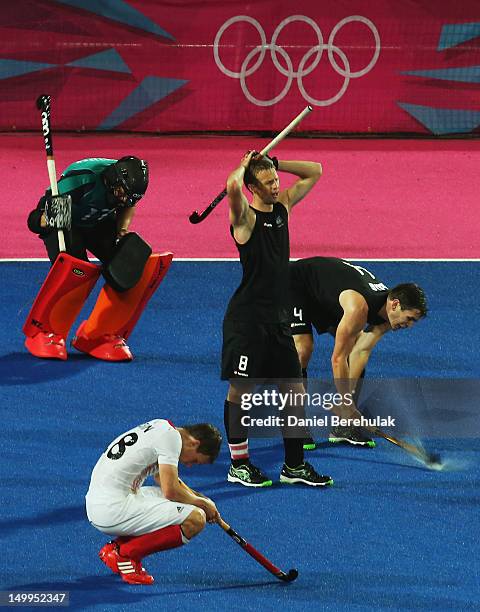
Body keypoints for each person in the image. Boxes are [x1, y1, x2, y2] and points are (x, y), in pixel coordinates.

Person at [221, 150, 333, 488]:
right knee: (241, 391)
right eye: (267, 182)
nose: (275, 186)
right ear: (253, 187)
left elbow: (315, 169)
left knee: (294, 390)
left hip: (278, 321)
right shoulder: (245, 221)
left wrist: (275, 162)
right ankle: (239, 464)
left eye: (276, 180)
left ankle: (294, 465)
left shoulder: (282, 208)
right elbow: (231, 187)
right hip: (247, 322)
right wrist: (243, 166)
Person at [24, 156, 172, 362]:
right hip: (66, 225)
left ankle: (98, 334)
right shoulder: (82, 180)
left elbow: (128, 205)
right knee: (76, 270)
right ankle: (45, 332)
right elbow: (33, 221)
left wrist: (121, 231)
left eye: (130, 197)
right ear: (113, 179)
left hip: (97, 224)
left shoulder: (126, 190)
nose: (123, 200)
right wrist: (49, 218)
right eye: (122, 194)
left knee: (133, 262)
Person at [289, 257, 428, 447]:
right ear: (395, 304)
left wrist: (344, 403)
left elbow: (361, 351)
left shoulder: (387, 314)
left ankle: (344, 426)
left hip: (324, 294)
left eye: (414, 321)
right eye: (409, 318)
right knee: (303, 349)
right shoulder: (359, 308)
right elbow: (338, 359)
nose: (409, 325)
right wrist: (347, 402)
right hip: (295, 283)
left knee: (355, 344)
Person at [86, 419, 222, 585]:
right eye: (194, 460)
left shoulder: (163, 427)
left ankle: (115, 549)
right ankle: (125, 554)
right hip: (110, 509)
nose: (189, 465)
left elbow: (163, 478)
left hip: (104, 501)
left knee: (188, 506)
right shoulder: (172, 440)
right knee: (195, 519)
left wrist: (201, 499)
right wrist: (202, 505)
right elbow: (171, 490)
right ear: (194, 443)